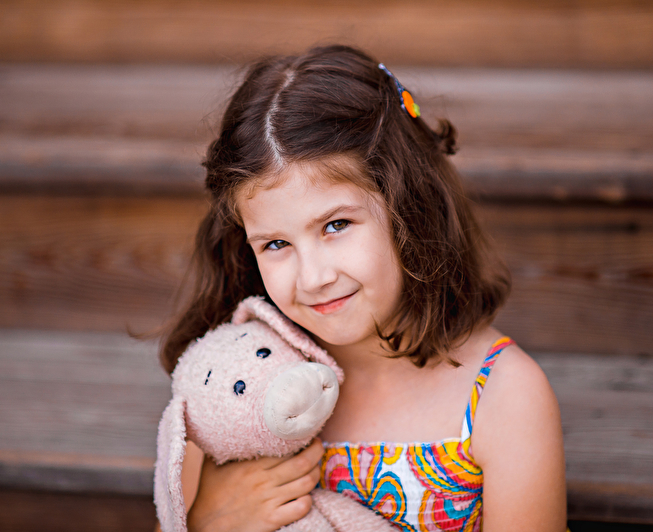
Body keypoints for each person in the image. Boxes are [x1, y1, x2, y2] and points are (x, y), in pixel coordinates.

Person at [157, 44, 567, 532]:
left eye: (336, 225)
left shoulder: (503, 395)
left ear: (409, 209)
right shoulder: (236, 384)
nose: (313, 277)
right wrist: (209, 520)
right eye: (276, 244)